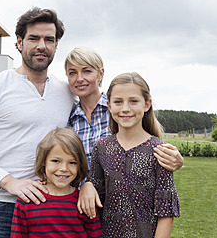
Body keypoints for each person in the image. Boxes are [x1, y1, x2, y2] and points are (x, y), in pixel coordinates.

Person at [0, 7, 75, 237]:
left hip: (55, 206)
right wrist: (10, 182)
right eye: (34, 38)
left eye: (49, 39)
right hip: (3, 208)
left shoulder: (66, 92)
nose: (42, 45)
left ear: (56, 46)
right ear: (19, 42)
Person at [64, 46, 183, 216]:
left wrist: (176, 161)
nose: (79, 78)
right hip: (78, 206)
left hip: (119, 209)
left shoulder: (120, 111)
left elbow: (145, 153)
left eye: (87, 71)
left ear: (100, 74)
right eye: (72, 73)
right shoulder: (69, 118)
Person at [84, 72, 180, 237]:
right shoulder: (102, 148)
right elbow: (96, 198)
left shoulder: (160, 150)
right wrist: (87, 186)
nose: (125, 109)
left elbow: (165, 212)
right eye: (118, 102)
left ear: (147, 104)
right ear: (109, 105)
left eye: (133, 101)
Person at [11, 128, 103, 237]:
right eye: (56, 161)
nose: (64, 168)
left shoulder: (84, 202)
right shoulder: (27, 200)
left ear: (80, 165)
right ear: (43, 161)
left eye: (72, 162)